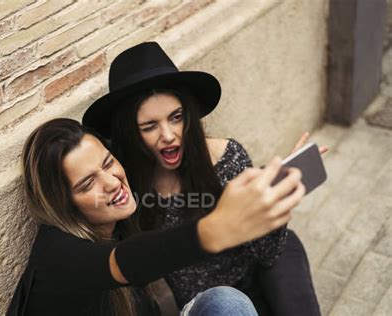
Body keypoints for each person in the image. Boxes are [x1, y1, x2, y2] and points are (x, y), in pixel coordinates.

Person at [82, 42, 323, 315]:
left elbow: (267, 253)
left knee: (288, 244)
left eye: (176, 117)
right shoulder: (127, 188)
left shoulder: (226, 156)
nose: (169, 134)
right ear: (131, 133)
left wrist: (278, 201)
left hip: (254, 280)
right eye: (150, 126)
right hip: (205, 305)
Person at [6, 118, 306, 315]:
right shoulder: (57, 255)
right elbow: (125, 261)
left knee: (225, 302)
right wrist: (213, 230)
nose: (111, 182)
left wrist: (269, 185)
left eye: (109, 163)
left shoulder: (121, 220)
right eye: (87, 183)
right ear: (64, 204)